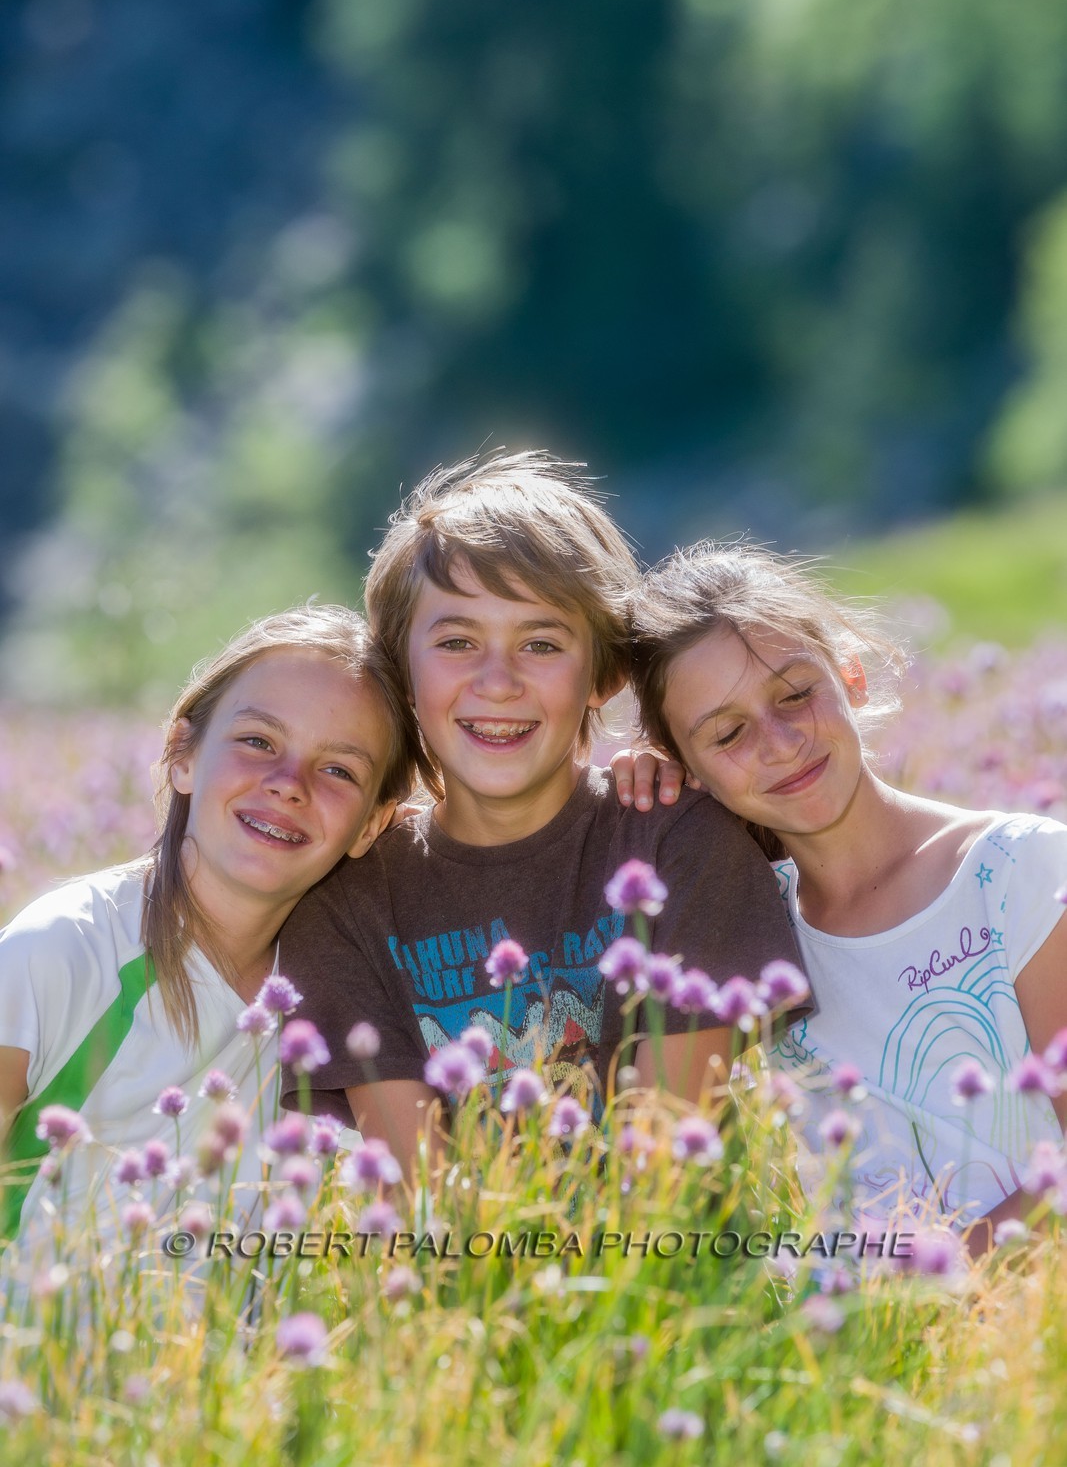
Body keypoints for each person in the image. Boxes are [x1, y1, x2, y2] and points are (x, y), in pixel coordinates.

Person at [279, 454, 808, 1172]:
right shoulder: (350, 900)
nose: (497, 682)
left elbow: (662, 1177)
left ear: (605, 674)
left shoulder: (677, 844)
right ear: (399, 672)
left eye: (541, 643)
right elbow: (421, 1199)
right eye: (457, 642)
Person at [619, 541, 1067, 1251]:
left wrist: (926, 1286)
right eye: (727, 733)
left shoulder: (1020, 870)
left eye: (795, 694)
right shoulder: (742, 935)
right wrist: (637, 815)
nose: (778, 742)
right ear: (687, 767)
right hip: (864, 1341)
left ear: (849, 673)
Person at [0, 605, 422, 1258]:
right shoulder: (65, 950)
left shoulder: (340, 1002)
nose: (289, 785)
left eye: (339, 770)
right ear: (181, 754)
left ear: (372, 824)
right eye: (257, 741)